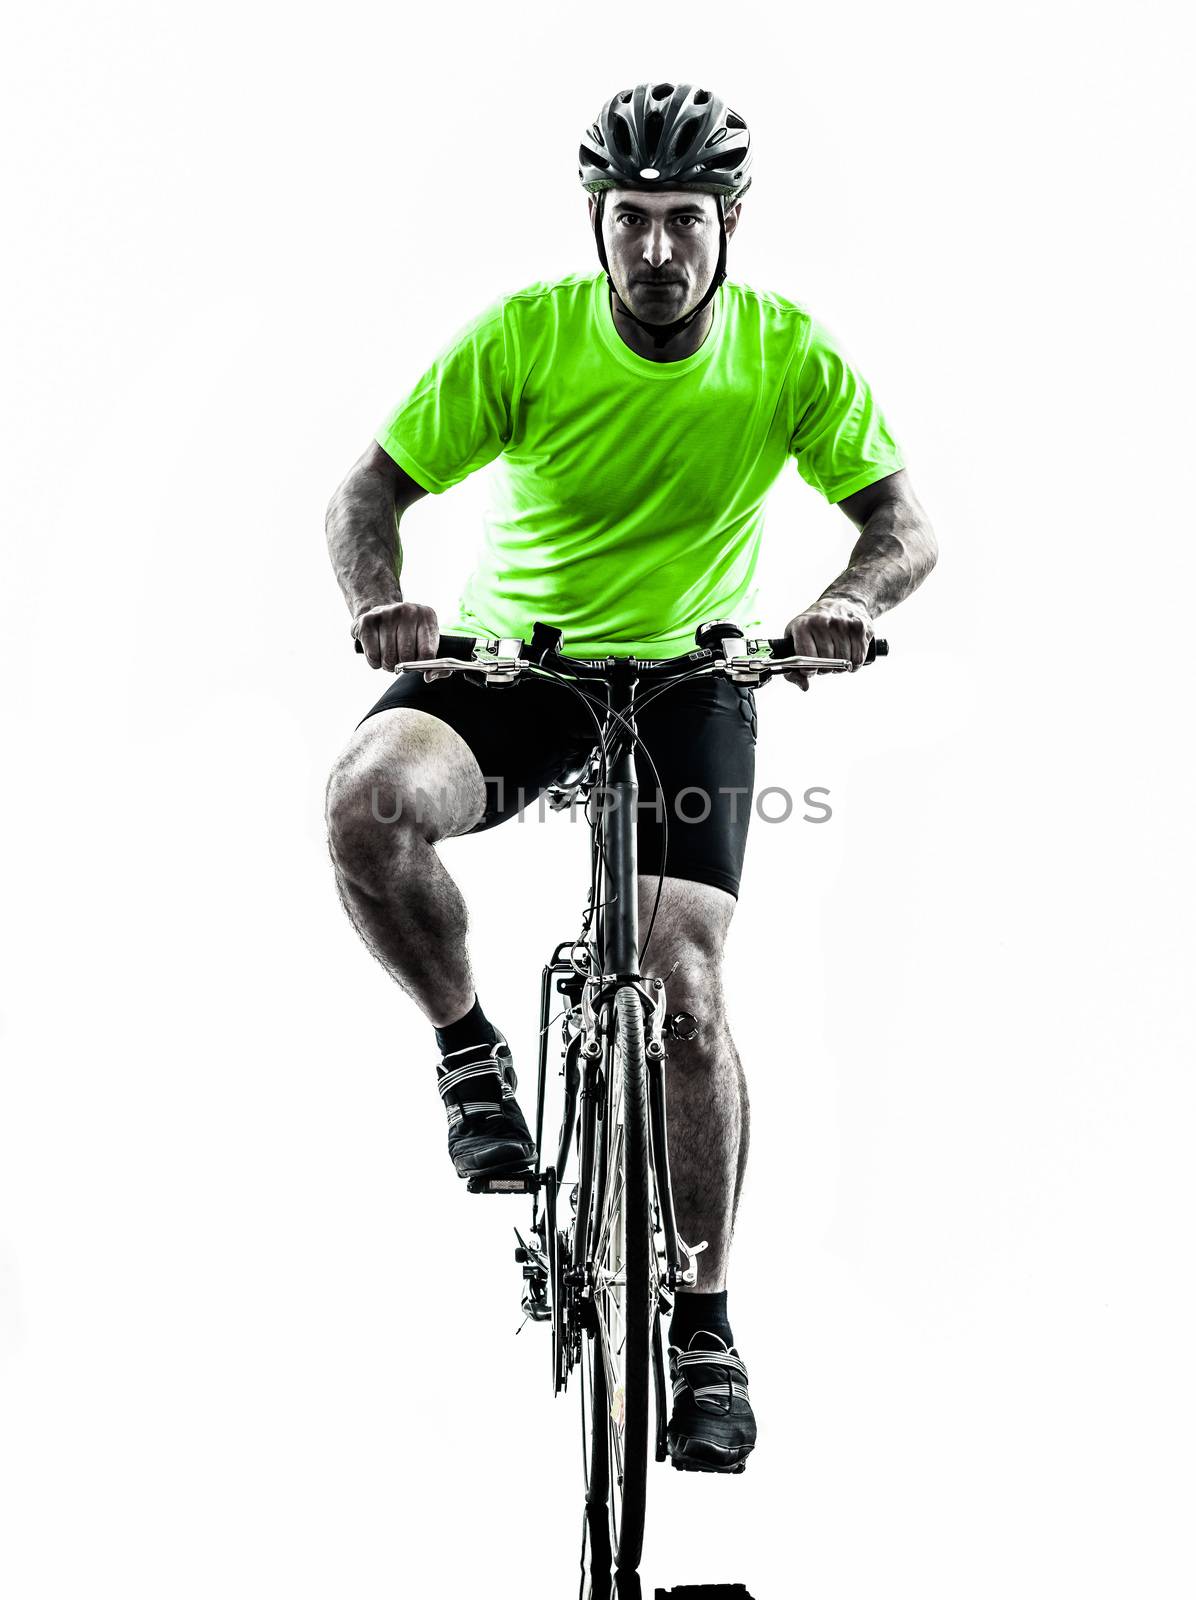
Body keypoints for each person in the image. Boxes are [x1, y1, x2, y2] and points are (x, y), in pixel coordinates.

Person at [324, 81, 938, 1474]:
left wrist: (852, 601)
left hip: (693, 675)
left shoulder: (785, 357)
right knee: (368, 802)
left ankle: (705, 1327)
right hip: (516, 662)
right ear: (596, 224)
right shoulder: (527, 337)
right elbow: (368, 494)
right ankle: (471, 1054)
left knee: (685, 982)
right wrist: (384, 602)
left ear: (728, 228)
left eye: (683, 222)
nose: (656, 250)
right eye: (632, 221)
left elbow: (903, 522)